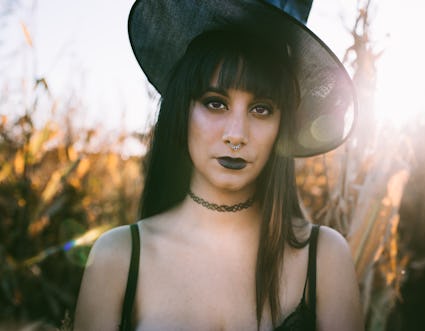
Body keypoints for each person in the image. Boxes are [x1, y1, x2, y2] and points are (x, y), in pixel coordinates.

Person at [74, 0, 363, 330]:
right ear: (182, 109)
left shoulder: (324, 258)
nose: (236, 135)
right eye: (215, 103)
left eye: (261, 109)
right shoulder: (118, 258)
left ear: (282, 126)